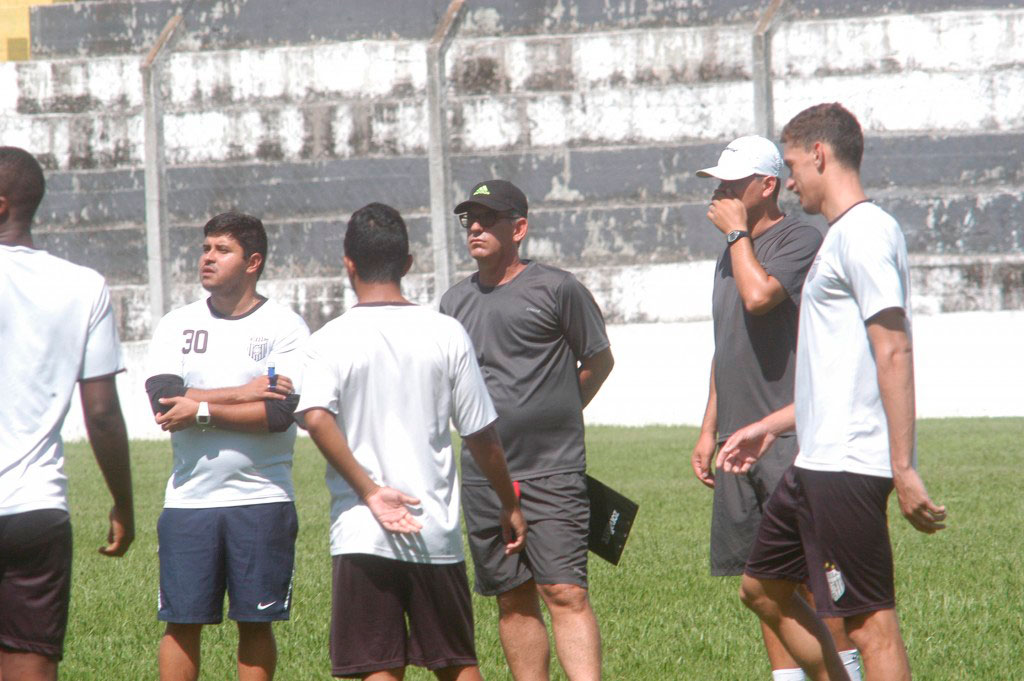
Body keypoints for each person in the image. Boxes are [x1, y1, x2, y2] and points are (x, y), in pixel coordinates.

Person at [718, 103, 947, 681]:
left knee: (871, 625)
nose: (790, 180)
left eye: (793, 165)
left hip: (847, 463)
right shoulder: (842, 236)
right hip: (814, 460)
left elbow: (892, 349)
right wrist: (768, 425)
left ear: (820, 155)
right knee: (762, 588)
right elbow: (837, 370)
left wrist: (903, 466)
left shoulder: (866, 231)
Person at [295, 202, 526, 681]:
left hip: (363, 530)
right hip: (432, 527)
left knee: (377, 665)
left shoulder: (328, 339)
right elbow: (481, 434)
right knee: (456, 661)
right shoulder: (445, 332)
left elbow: (315, 417)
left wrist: (370, 492)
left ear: (348, 263)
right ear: (408, 264)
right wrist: (510, 502)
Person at [691, 136, 862, 681]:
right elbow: (727, 345)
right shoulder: (729, 252)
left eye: (734, 184)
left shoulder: (799, 238)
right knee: (763, 579)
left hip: (790, 436)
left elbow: (759, 297)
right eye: (719, 183)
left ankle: (846, 673)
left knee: (814, 579)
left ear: (767, 187)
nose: (722, 193)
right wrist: (709, 427)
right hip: (739, 439)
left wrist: (737, 233)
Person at [440, 180, 615, 681]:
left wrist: (559, 408)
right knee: (512, 601)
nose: (474, 227)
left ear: (518, 228)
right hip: (484, 477)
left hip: (552, 470)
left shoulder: (558, 289)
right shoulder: (453, 304)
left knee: (565, 591)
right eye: (468, 219)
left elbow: (599, 360)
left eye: (487, 218)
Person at [144, 211, 309, 681]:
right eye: (205, 248)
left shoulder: (285, 326)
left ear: (253, 261)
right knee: (181, 621)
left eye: (222, 250)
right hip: (188, 501)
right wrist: (243, 393)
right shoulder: (177, 324)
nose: (207, 258)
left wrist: (198, 407)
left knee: (255, 624)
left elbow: (278, 415)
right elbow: (164, 404)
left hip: (261, 499)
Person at [0, 146, 135, 681]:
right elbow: (101, 412)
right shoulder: (84, 286)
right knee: (30, 662)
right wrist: (123, 503)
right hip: (37, 506)